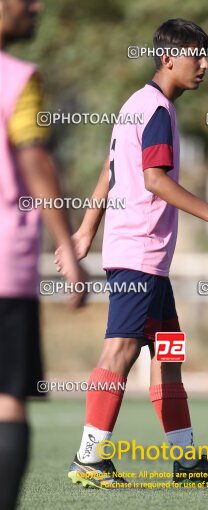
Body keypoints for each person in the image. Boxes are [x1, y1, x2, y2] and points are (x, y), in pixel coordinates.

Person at [55, 18, 208, 490]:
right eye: (195, 55)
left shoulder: (135, 105)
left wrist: (84, 231)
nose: (203, 65)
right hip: (139, 253)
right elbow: (152, 179)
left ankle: (185, 461)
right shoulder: (157, 108)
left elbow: (109, 170)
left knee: (168, 353)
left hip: (145, 259)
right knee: (119, 350)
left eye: (207, 56)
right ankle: (89, 458)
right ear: (168, 57)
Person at [0, 1, 87, 508]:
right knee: (8, 399)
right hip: (5, 269)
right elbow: (36, 163)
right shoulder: (18, 79)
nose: (37, 7)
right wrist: (68, 247)